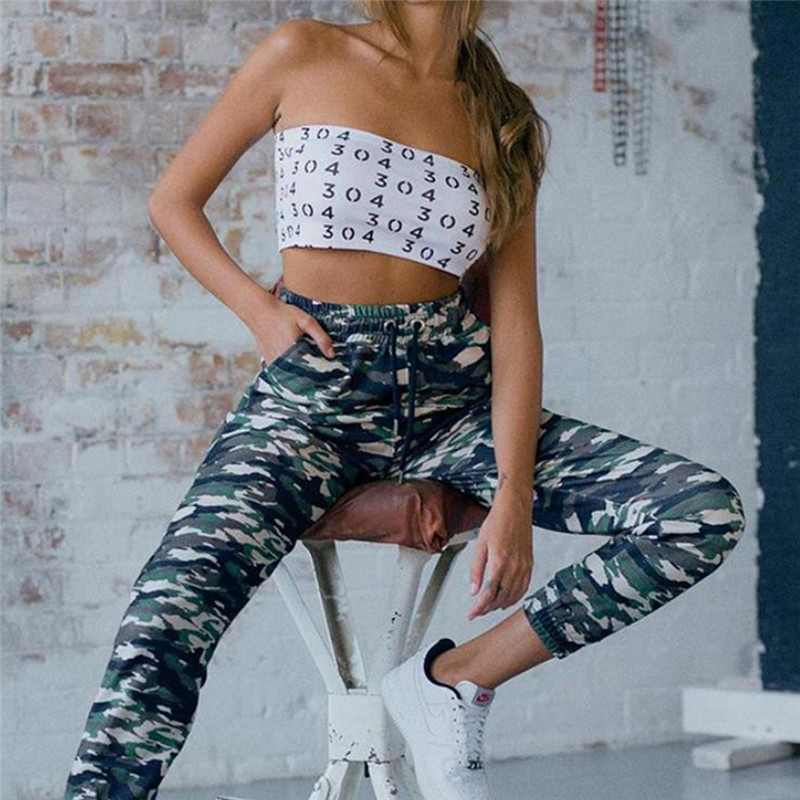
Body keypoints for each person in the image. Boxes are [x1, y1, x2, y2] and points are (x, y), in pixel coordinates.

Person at [63, 3, 746, 799]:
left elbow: (516, 327)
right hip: (312, 402)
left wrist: (515, 495)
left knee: (699, 512)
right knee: (168, 609)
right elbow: (173, 200)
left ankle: (454, 679)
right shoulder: (302, 52)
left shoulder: (502, 117)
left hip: (453, 403)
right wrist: (259, 311)